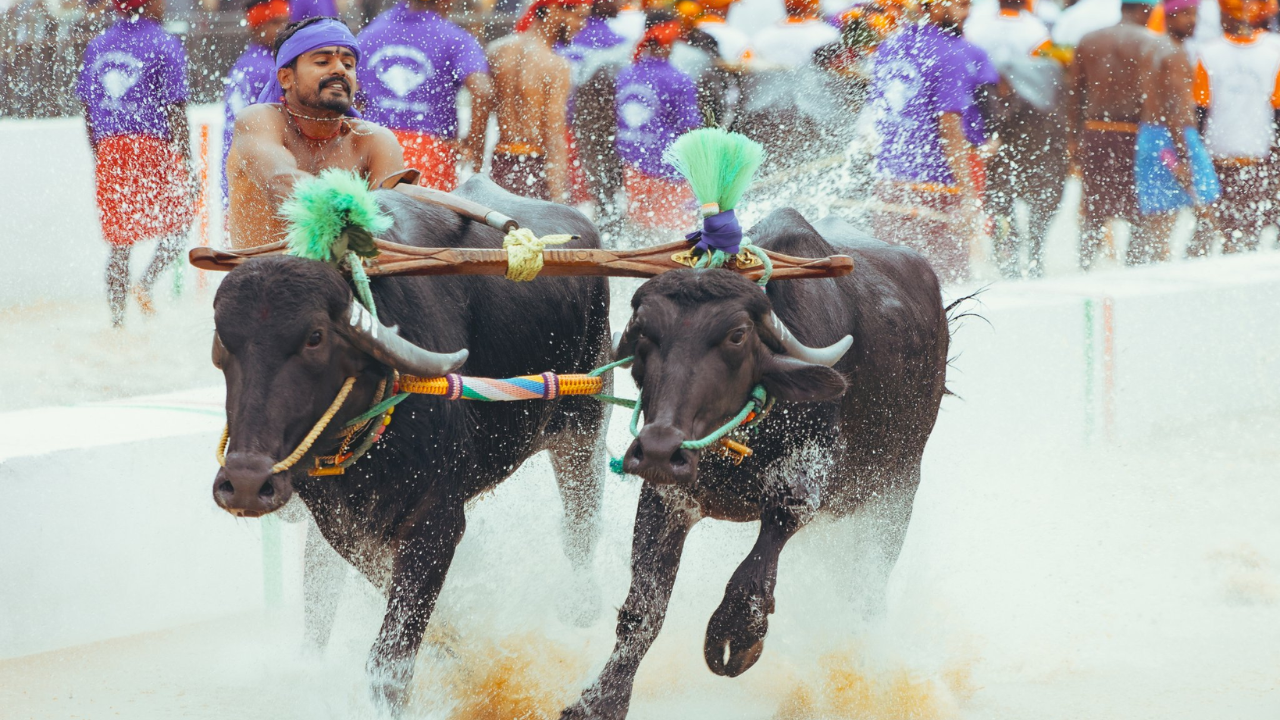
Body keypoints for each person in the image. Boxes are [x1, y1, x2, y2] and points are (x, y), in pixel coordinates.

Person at [224, 17, 406, 248]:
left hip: (343, 281)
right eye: (322, 62)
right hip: (260, 277)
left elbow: (391, 226)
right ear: (286, 78)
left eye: (348, 65)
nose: (340, 69)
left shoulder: (374, 141)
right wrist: (354, 209)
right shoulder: (260, 119)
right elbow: (279, 181)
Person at [77, 0, 194, 327]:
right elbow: (176, 110)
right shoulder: (164, 43)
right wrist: (187, 163)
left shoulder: (98, 44)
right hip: (153, 147)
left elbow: (88, 111)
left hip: (111, 151)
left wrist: (102, 156)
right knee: (179, 227)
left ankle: (117, 324)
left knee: (119, 245)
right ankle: (145, 284)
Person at [1069, 0, 1191, 267]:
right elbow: (1166, 101)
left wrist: (1072, 139)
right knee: (1139, 212)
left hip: (1095, 132)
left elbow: (1073, 94)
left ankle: (1084, 268)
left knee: (1094, 210)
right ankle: (1135, 271)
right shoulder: (1152, 43)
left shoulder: (1089, 40)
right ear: (1145, 10)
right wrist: (1180, 148)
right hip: (1137, 134)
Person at [869, 0, 981, 283]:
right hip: (935, 192)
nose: (966, 12)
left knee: (893, 289)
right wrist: (968, 197)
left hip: (888, 188)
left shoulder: (888, 47)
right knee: (949, 290)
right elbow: (950, 129)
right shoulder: (950, 54)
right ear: (932, 5)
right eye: (960, 4)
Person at [964, 0, 1067, 278]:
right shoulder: (1034, 29)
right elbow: (1046, 73)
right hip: (1030, 123)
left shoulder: (977, 25)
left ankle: (1005, 256)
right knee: (1039, 194)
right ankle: (1034, 255)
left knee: (1000, 195)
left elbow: (973, 66)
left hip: (992, 116)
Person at [357, 0, 491, 191]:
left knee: (373, 218)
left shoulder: (370, 34)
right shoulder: (453, 37)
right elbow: (482, 91)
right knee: (430, 220)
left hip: (373, 152)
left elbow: (350, 91)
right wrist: (473, 149)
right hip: (429, 158)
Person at [472, 0, 590, 201]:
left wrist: (475, 181)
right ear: (555, 10)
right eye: (579, 16)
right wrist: (558, 203)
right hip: (534, 170)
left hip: (500, 164)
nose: (582, 25)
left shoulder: (497, 50)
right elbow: (553, 139)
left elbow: (479, 125)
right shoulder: (556, 66)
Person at [1188, 0, 1280, 253]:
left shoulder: (1208, 53)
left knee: (1206, 229)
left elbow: (1199, 111)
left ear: (1224, 14)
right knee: (1247, 232)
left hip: (1216, 156)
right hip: (1256, 158)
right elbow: (1277, 114)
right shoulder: (1273, 55)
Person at [615, 15, 701, 230]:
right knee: (675, 238)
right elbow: (690, 129)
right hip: (670, 171)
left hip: (633, 167)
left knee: (640, 233)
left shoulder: (626, 74)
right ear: (670, 40)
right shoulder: (679, 79)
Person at [222, 0, 290, 207]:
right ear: (257, 27)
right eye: (275, 23)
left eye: (286, 22)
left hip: (237, 164)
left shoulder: (245, 62)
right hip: (258, 171)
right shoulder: (270, 68)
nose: (284, 29)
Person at [751, 0, 840, 68]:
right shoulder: (826, 34)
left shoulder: (762, 36)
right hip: (811, 90)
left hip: (767, 91)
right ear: (812, 4)